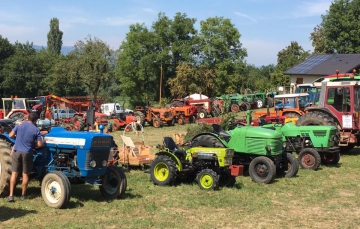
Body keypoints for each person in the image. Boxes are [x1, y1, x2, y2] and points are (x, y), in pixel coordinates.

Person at [7, 112, 43, 202]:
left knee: (14, 173)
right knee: (25, 174)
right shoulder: (36, 130)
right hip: (27, 153)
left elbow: (10, 135)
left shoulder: (20, 124)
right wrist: (32, 142)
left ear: (28, 117)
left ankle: (11, 195)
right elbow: (40, 144)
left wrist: (18, 137)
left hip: (17, 151)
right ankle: (23, 195)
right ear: (35, 120)